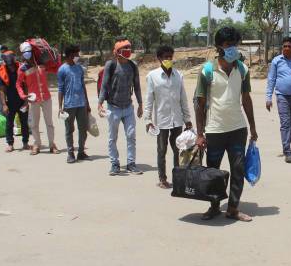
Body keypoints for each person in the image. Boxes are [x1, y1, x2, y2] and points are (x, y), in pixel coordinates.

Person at [194, 26, 258, 222]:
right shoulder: (207, 71)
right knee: (213, 172)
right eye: (228, 45)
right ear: (219, 47)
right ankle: (214, 206)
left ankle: (232, 208)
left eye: (234, 44)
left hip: (237, 129)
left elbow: (246, 99)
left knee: (238, 170)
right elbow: (200, 103)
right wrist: (200, 134)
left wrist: (253, 128)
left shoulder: (242, 68)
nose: (233, 48)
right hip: (214, 130)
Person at [145, 45, 192, 189]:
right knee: (161, 150)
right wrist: (148, 119)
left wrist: (187, 119)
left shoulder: (179, 75)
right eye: (165, 57)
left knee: (178, 149)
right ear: (159, 59)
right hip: (161, 121)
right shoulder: (152, 76)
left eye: (170, 57)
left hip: (177, 120)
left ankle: (178, 178)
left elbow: (183, 98)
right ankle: (162, 179)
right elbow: (149, 99)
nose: (168, 59)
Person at [98, 38, 143, 176]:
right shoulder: (110, 65)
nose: (128, 52)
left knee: (131, 136)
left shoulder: (133, 66)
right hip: (113, 107)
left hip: (128, 107)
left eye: (129, 49)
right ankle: (115, 164)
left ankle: (131, 163)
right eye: (125, 50)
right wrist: (100, 103)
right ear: (117, 52)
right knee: (113, 137)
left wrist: (140, 104)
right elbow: (104, 85)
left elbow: (136, 86)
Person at [17, 42, 59, 155]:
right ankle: (37, 144)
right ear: (22, 54)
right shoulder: (22, 68)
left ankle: (52, 145)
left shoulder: (42, 63)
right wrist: (22, 95)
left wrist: (56, 59)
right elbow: (18, 84)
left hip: (46, 97)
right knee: (34, 124)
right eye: (24, 53)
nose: (27, 55)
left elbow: (55, 69)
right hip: (33, 99)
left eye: (28, 53)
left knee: (49, 122)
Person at [58, 44, 90, 164]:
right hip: (69, 105)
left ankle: (81, 152)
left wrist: (87, 103)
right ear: (71, 55)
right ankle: (70, 153)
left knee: (83, 129)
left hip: (81, 104)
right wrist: (60, 106)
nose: (78, 56)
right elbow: (61, 89)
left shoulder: (79, 68)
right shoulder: (62, 70)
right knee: (69, 130)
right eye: (76, 54)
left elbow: (83, 86)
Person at [0, 51, 29, 152]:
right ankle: (10, 144)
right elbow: (2, 90)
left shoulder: (21, 68)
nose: (9, 61)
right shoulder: (2, 71)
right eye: (6, 59)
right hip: (10, 101)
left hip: (21, 100)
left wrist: (26, 101)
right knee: (9, 123)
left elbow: (26, 85)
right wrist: (4, 104)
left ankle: (25, 143)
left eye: (10, 58)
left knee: (24, 122)